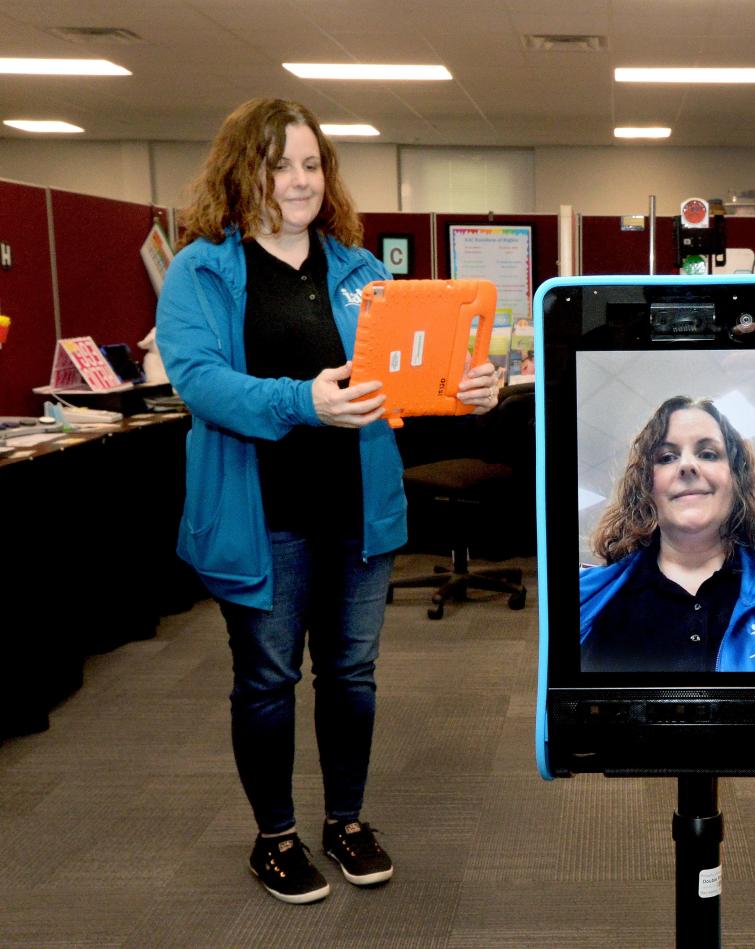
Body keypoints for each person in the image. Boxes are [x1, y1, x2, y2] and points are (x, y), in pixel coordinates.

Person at [156, 98, 498, 904]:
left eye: (312, 164)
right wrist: (304, 401)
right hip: (259, 514)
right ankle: (274, 836)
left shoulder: (360, 271)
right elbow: (200, 383)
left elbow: (405, 379)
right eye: (281, 163)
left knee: (351, 673)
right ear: (245, 170)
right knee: (268, 680)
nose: (300, 179)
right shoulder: (201, 268)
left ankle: (345, 821)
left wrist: (468, 389)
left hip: (357, 512)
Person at [579, 396, 755, 673]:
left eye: (708, 454)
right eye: (667, 457)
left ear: (736, 479)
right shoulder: (584, 596)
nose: (687, 465)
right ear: (647, 485)